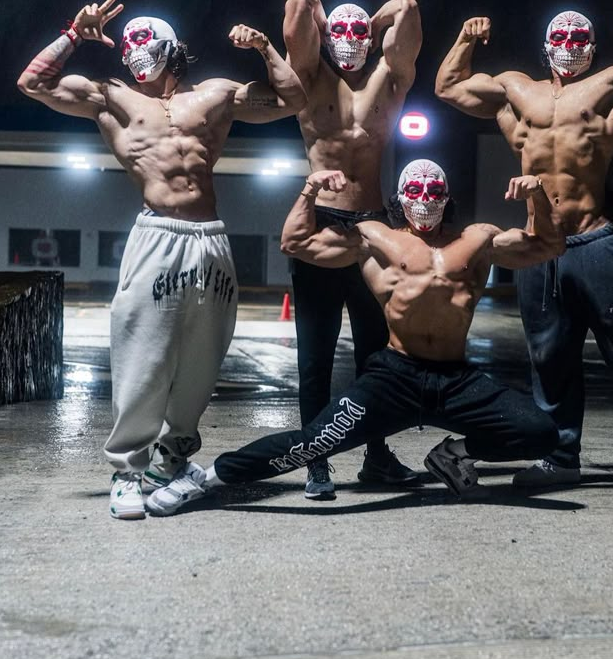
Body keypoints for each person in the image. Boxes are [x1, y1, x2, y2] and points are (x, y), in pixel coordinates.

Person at [17, 0, 307, 519]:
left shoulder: (215, 95)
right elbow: (31, 83)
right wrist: (74, 35)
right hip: (156, 233)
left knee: (202, 357)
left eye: (143, 40)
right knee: (142, 351)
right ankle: (127, 469)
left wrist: (265, 47)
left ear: (172, 48)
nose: (133, 51)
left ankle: (173, 456)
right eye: (126, 45)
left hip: (210, 237)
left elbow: (293, 101)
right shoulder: (111, 96)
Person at [145, 158, 565, 517]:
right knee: (310, 443)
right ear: (400, 196)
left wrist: (538, 197)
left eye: (434, 189)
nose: (425, 198)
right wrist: (310, 191)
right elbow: (295, 242)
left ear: (447, 195)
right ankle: (202, 479)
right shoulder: (376, 239)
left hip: (457, 380)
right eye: (415, 189)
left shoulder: (477, 239)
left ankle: (452, 455)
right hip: (395, 378)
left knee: (541, 432)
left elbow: (549, 244)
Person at [435, 9, 613, 492]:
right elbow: (449, 87)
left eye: (581, 36)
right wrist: (465, 36)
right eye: (562, 35)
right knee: (550, 359)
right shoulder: (517, 89)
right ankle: (561, 459)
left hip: (594, 241)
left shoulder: (612, 84)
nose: (571, 42)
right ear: (546, 43)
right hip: (539, 248)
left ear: (594, 46)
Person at [282, 0, 423, 498]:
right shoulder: (311, 77)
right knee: (315, 358)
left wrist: (370, 19)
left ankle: (377, 457)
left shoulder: (390, 78)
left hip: (373, 227)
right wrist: (322, 12)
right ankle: (316, 461)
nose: (347, 40)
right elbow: (298, 3)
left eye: (357, 32)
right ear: (324, 37)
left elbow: (406, 7)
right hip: (321, 223)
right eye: (337, 31)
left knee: (378, 358)